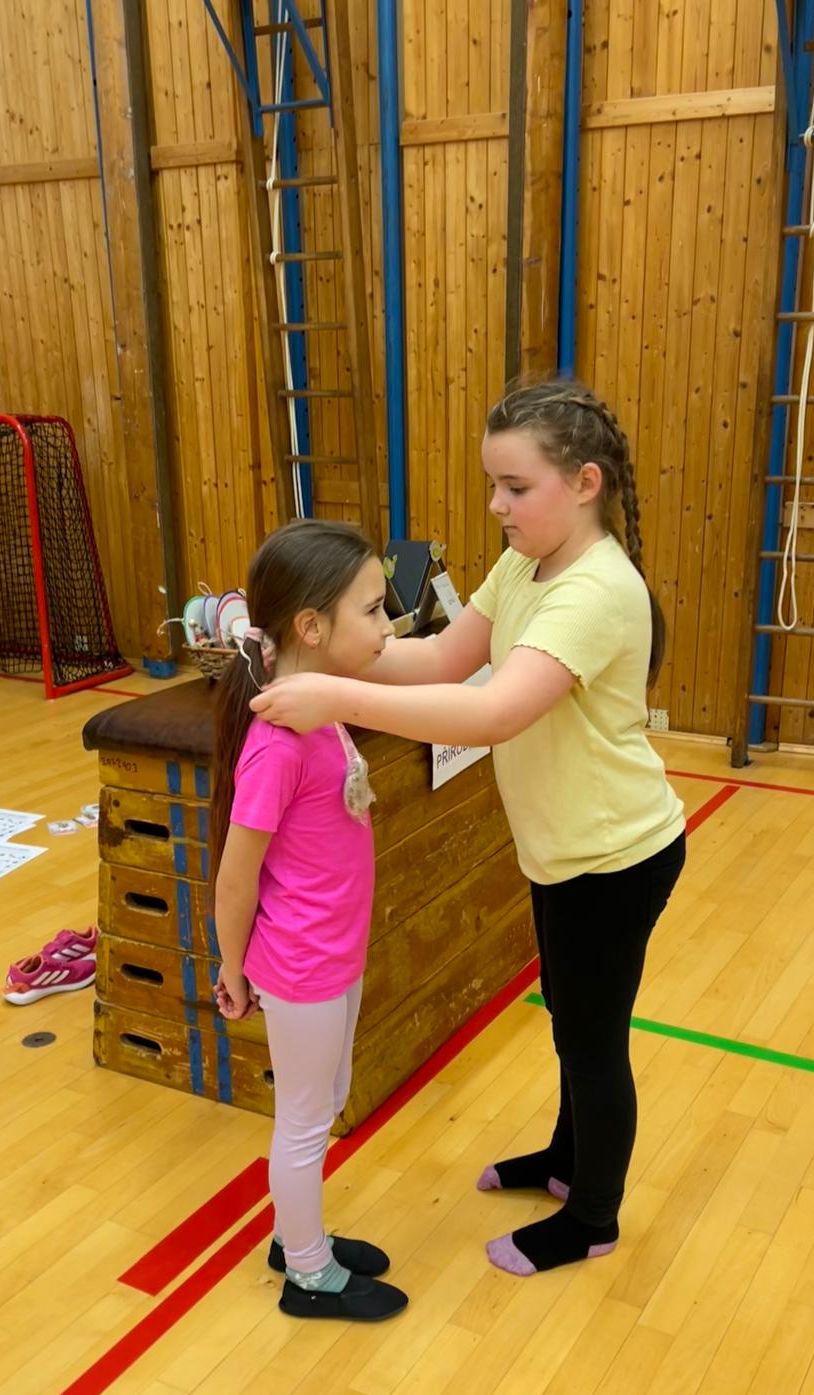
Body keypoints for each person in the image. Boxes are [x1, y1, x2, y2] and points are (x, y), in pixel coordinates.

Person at [251, 378, 686, 1277]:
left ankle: (592, 1217)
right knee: (570, 1018)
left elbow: (492, 712)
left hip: (615, 855)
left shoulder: (595, 590)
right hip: (563, 851)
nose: (497, 505)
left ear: (586, 484)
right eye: (494, 485)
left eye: (516, 487)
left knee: (592, 1042)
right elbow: (446, 657)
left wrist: (334, 695)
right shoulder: (527, 564)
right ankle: (567, 1161)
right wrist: (333, 654)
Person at [209, 520, 408, 1322]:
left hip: (334, 956)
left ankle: (297, 1237)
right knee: (302, 1121)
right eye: (373, 609)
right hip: (301, 967)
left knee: (326, 1103)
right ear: (312, 627)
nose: (387, 625)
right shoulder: (279, 746)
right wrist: (231, 968)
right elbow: (235, 876)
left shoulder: (322, 712)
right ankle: (308, 1274)